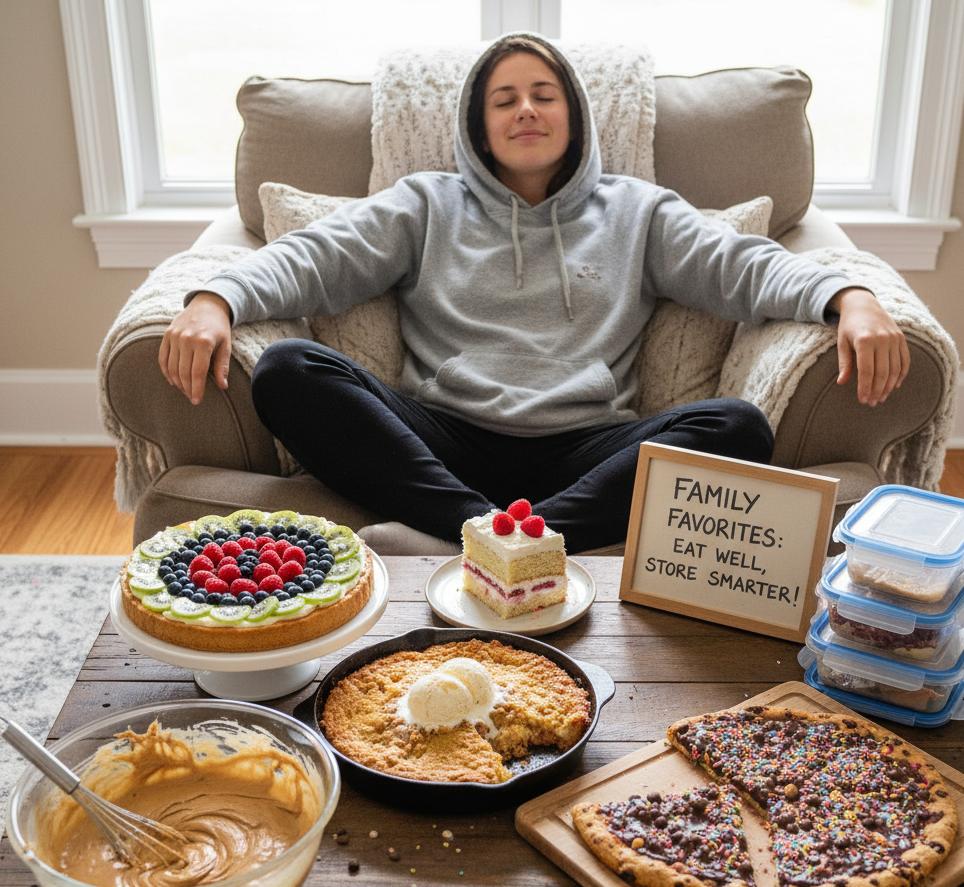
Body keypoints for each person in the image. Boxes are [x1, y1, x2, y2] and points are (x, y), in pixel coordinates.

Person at [158, 33, 909, 555]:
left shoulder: (639, 211)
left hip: (585, 451)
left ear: (573, 116)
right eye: (505, 99)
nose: (525, 110)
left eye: (544, 94)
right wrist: (213, 299)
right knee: (291, 371)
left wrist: (851, 296)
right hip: (439, 441)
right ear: (479, 128)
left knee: (738, 426)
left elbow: (746, 265)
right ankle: (493, 537)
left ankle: (509, 542)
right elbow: (310, 259)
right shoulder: (422, 203)